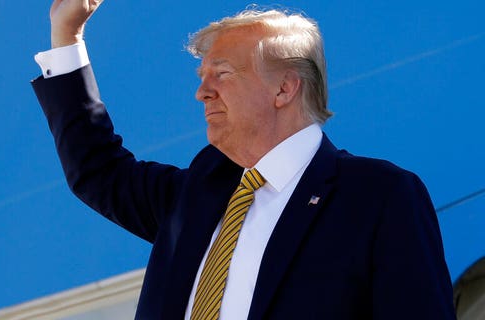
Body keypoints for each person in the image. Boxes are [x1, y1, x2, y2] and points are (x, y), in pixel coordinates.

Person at [31, 0, 456, 319]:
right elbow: (98, 170)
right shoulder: (198, 192)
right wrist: (66, 34)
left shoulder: (375, 196)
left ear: (285, 89)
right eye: (202, 77)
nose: (203, 92)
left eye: (223, 74)